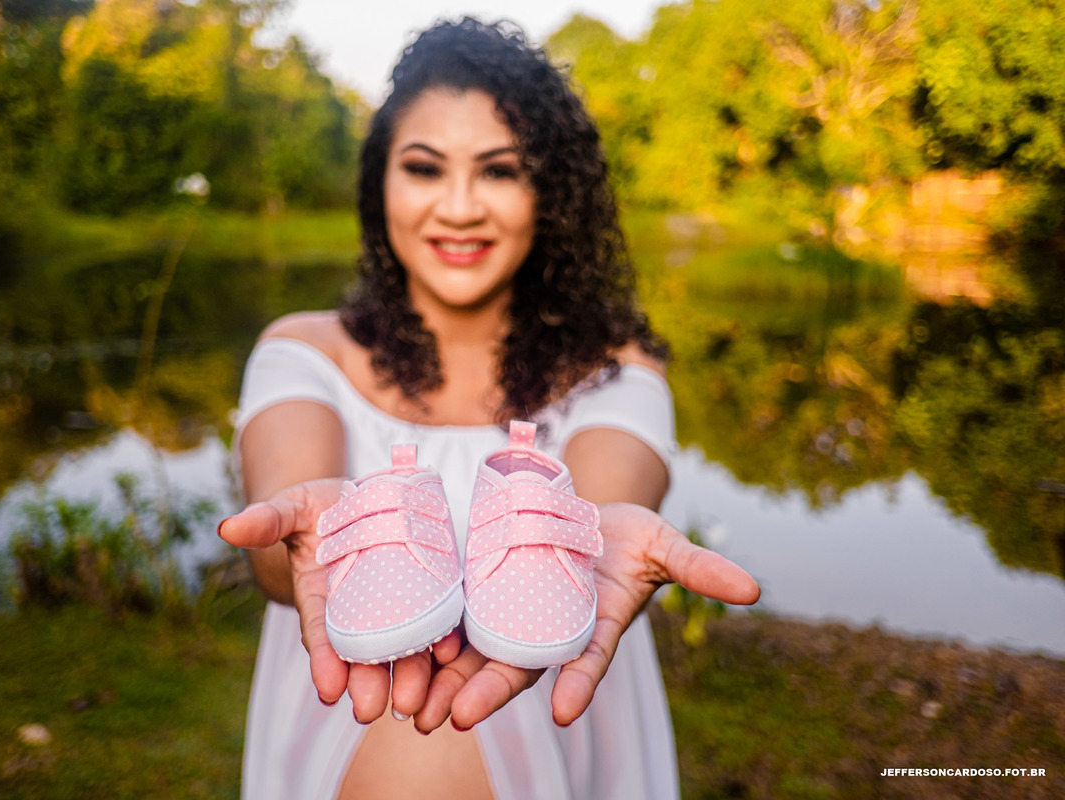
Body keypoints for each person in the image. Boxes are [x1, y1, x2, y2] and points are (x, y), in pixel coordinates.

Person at [218, 18, 760, 800]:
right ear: (381, 184)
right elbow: (280, 537)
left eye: (500, 171)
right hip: (345, 696)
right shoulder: (305, 350)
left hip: (557, 711)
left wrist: (590, 547)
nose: (460, 207)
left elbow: (609, 500)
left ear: (550, 192)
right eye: (425, 168)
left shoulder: (614, 368)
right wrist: (302, 542)